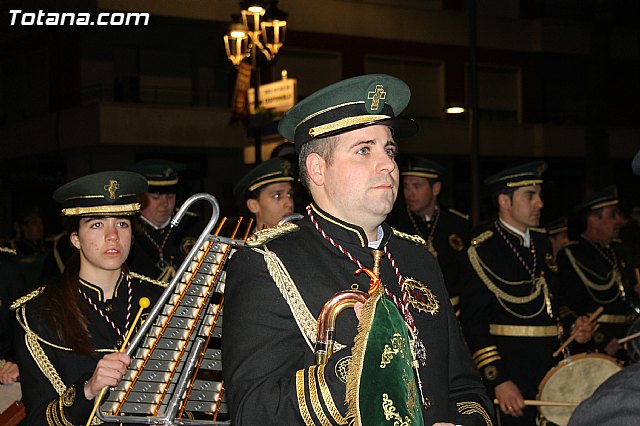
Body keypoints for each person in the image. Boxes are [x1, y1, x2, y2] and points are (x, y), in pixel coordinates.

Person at [222, 74, 494, 425]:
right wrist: (364, 363)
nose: (389, 164)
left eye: (390, 150)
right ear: (317, 169)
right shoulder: (267, 262)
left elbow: (466, 389)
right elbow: (255, 411)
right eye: (364, 150)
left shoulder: (417, 257)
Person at [12, 170, 166, 425]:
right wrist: (88, 390)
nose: (113, 235)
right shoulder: (37, 314)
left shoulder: (164, 297)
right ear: (76, 239)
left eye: (122, 224)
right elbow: (38, 418)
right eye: (97, 224)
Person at [459, 161, 593, 426]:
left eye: (539, 195)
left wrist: (574, 324)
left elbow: (555, 301)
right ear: (504, 201)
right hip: (512, 371)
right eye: (530, 196)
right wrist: (498, 379)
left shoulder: (542, 243)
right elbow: (473, 323)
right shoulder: (483, 250)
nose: (540, 204)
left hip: (552, 367)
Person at [556, 186, 638, 360]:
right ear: (593, 220)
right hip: (598, 344)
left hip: (631, 338)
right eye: (612, 215)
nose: (618, 221)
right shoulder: (573, 254)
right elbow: (570, 305)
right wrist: (602, 339)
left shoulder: (620, 250)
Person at [387, 155, 471, 313]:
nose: (409, 193)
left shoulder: (457, 224)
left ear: (435, 188)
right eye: (406, 186)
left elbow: (466, 277)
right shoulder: (394, 223)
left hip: (454, 310)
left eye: (416, 186)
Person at [126, 159, 203, 282]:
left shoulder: (192, 225)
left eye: (170, 196)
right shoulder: (127, 228)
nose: (164, 203)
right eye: (156, 197)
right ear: (139, 198)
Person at [233, 155, 298, 232]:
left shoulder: (303, 242)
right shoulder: (242, 243)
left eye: (290, 194)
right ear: (253, 205)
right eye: (277, 196)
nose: (289, 203)